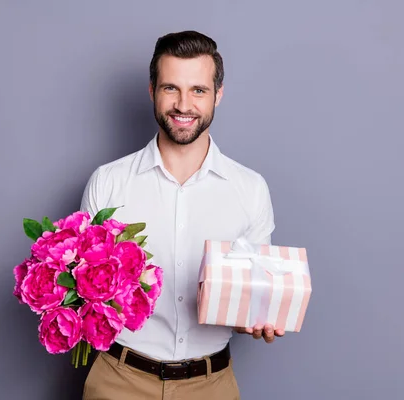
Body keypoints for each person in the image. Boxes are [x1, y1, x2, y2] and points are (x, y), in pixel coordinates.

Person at [80, 30, 283, 400]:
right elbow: (83, 292)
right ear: (152, 90)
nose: (183, 105)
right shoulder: (108, 182)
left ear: (218, 95)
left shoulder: (250, 189)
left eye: (199, 90)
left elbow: (252, 297)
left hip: (211, 385)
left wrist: (257, 318)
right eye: (171, 88)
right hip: (117, 380)